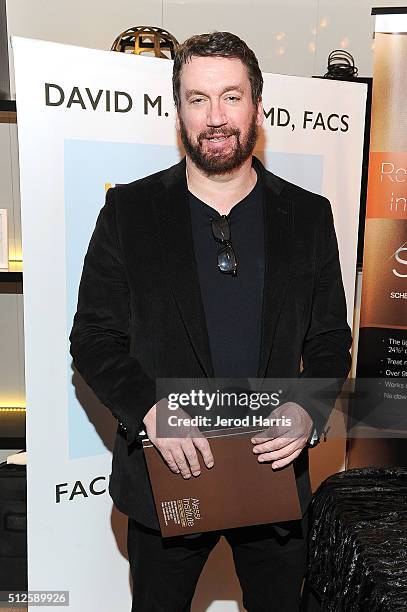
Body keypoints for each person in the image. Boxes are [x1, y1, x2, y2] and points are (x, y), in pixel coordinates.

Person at [69, 31, 352, 612]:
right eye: (198, 99)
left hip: (271, 472)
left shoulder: (307, 215)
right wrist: (152, 413)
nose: (215, 116)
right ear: (178, 111)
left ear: (258, 105)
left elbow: (329, 341)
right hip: (168, 472)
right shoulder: (129, 212)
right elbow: (93, 338)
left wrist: (309, 408)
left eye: (231, 96)